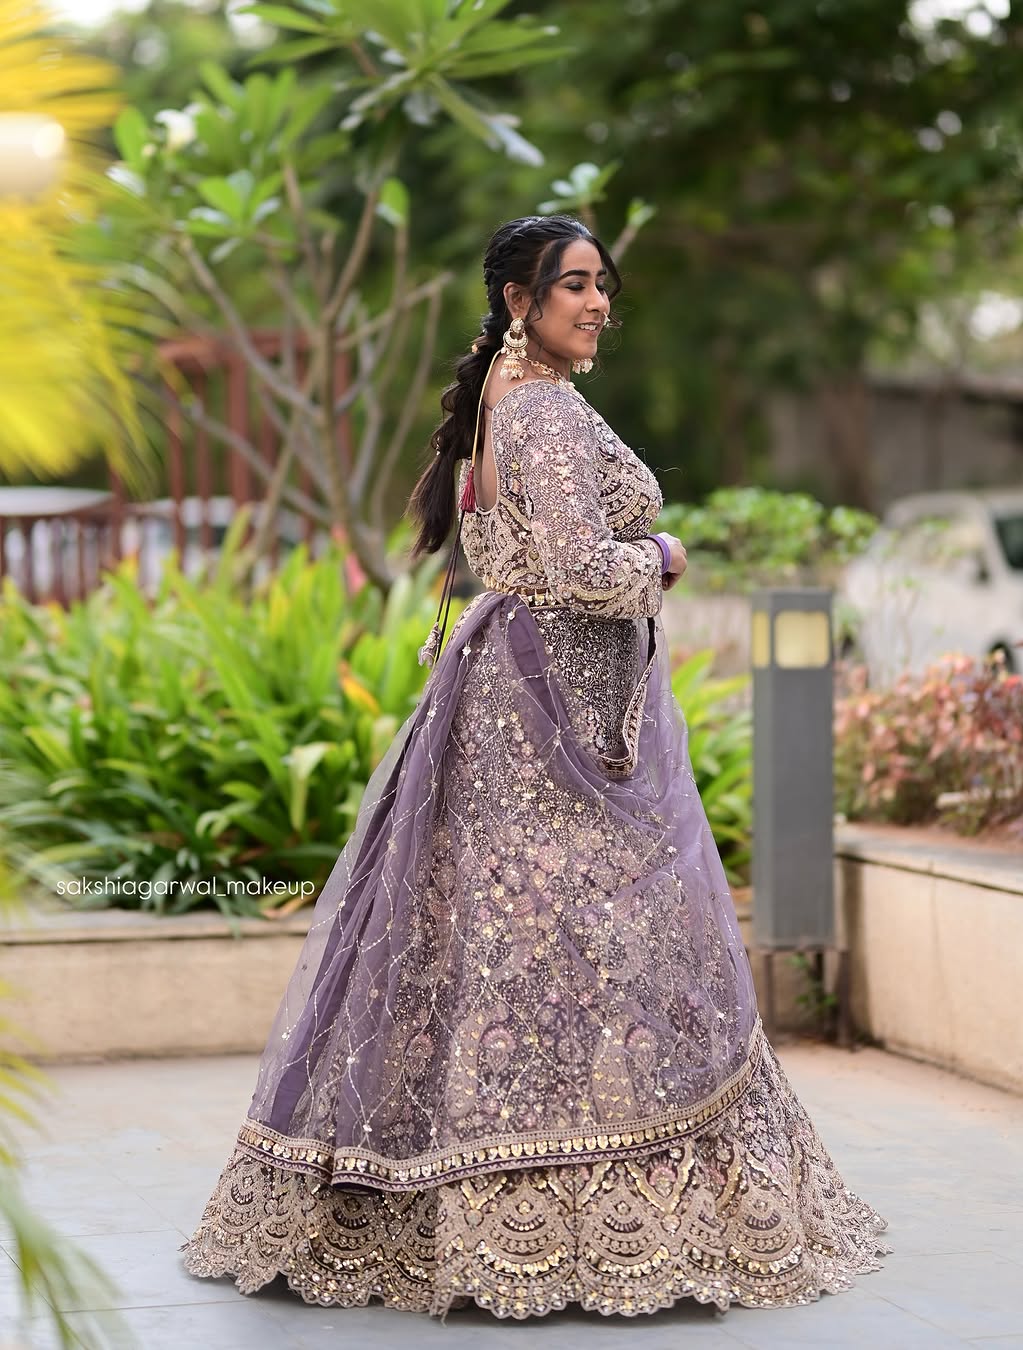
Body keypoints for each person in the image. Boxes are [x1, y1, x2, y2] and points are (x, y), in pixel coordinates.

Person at [181, 214, 890, 1320]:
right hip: (556, 715)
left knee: (499, 943)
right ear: (521, 302)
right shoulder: (546, 411)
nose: (598, 303)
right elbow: (578, 567)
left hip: (516, 693)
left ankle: (457, 1202)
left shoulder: (509, 402)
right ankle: (590, 1213)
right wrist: (662, 553)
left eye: (603, 284)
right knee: (597, 942)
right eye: (574, 286)